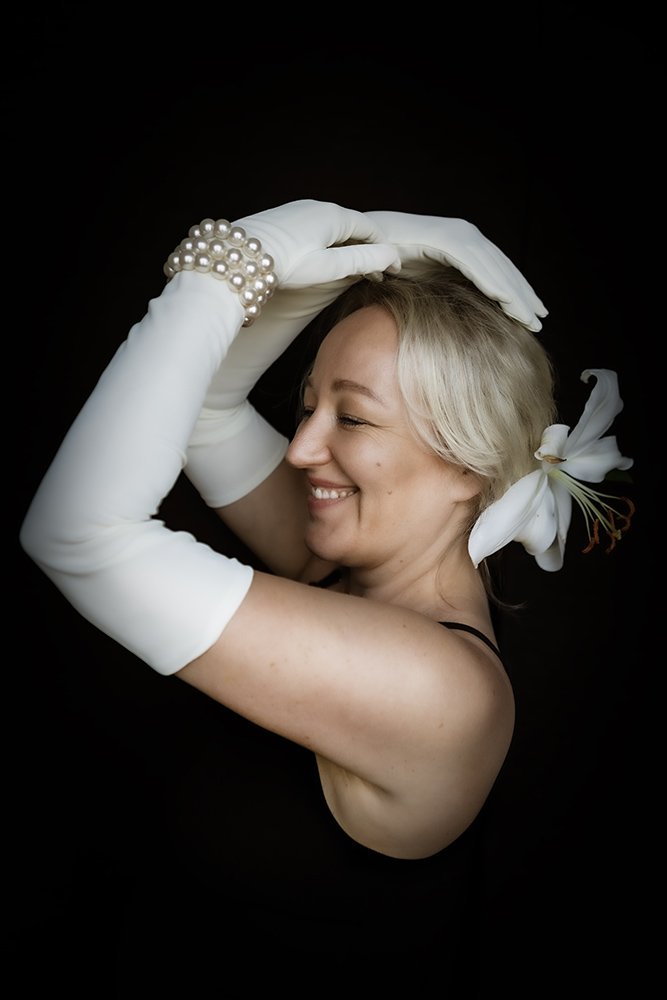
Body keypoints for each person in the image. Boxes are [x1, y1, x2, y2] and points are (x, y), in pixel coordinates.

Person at [19, 201, 634, 983]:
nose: (304, 448)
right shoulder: (349, 573)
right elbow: (207, 410)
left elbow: (77, 533)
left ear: (470, 466)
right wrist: (364, 239)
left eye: (354, 418)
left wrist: (241, 257)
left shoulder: (437, 691)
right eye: (310, 405)